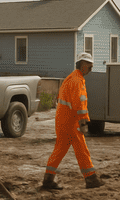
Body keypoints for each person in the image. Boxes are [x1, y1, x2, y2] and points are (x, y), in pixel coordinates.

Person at [41, 52, 104, 190]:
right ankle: (91, 179)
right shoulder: (77, 81)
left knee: (59, 150)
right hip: (71, 122)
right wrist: (83, 122)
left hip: (63, 121)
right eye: (89, 66)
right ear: (82, 66)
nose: (91, 70)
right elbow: (79, 104)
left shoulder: (71, 78)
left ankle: (48, 180)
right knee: (81, 149)